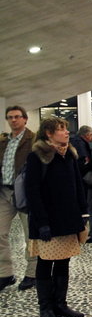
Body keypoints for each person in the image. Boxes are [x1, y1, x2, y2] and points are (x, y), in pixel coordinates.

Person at [25, 117, 89, 317]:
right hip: (47, 220)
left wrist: (83, 212)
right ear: (48, 134)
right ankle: (46, 308)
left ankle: (60, 304)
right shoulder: (37, 156)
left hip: (68, 218)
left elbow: (77, 184)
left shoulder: (69, 153)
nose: (65, 133)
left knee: (64, 260)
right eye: (60, 130)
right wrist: (42, 221)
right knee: (45, 262)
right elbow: (32, 191)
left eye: (65, 129)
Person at [0, 105, 37, 292]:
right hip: (4, 192)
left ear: (25, 119)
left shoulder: (33, 140)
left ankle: (32, 273)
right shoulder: (3, 141)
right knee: (0, 233)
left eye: (16, 117)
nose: (13, 120)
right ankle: (5, 273)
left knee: (30, 235)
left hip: (25, 194)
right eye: (10, 117)